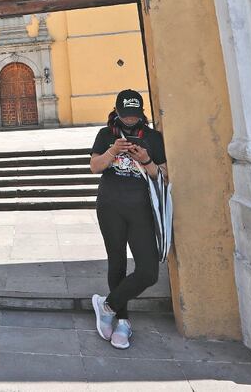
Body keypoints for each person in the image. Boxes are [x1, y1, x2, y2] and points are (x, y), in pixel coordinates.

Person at [89, 90, 167, 349]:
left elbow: (164, 176)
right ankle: (122, 321)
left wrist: (146, 159)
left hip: (143, 210)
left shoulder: (154, 138)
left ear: (141, 113)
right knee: (117, 263)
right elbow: (95, 167)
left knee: (148, 271)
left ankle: (107, 305)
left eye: (134, 117)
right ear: (117, 112)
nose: (130, 121)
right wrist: (113, 151)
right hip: (110, 207)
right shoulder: (106, 135)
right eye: (126, 116)